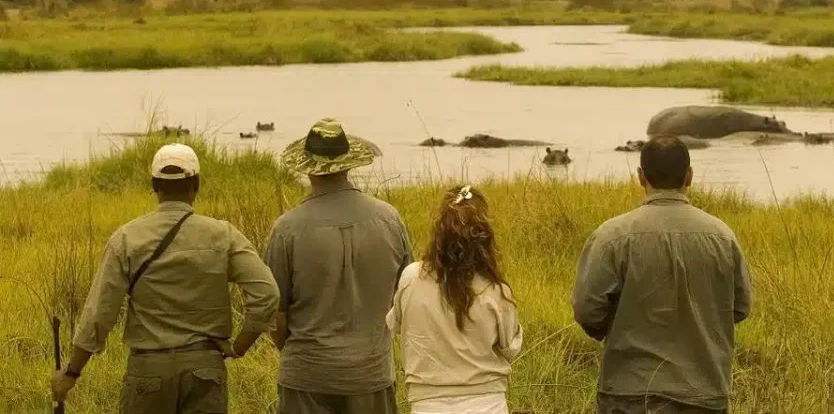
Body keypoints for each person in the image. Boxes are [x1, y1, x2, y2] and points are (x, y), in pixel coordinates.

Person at [49, 143, 279, 413]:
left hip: (148, 373)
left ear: (154, 186)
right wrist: (239, 346)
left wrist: (72, 372)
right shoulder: (224, 235)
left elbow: (98, 315)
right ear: (197, 185)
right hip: (205, 370)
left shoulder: (126, 239)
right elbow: (267, 294)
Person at [572, 135, 753, 414]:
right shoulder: (722, 237)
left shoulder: (612, 236)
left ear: (641, 177)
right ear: (689, 176)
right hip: (704, 393)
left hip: (628, 393)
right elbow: (740, 307)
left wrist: (619, 328)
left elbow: (587, 311)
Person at [265, 118, 414, 414]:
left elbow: (275, 316)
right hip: (370, 374)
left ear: (307, 168)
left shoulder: (286, 229)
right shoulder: (389, 219)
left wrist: (302, 353)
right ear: (348, 164)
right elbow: (406, 296)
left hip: (307, 375)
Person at [385, 184, 523, 414]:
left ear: (439, 232)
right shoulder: (496, 290)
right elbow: (510, 348)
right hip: (486, 405)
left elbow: (395, 325)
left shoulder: (411, 277)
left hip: (427, 405)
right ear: (485, 236)